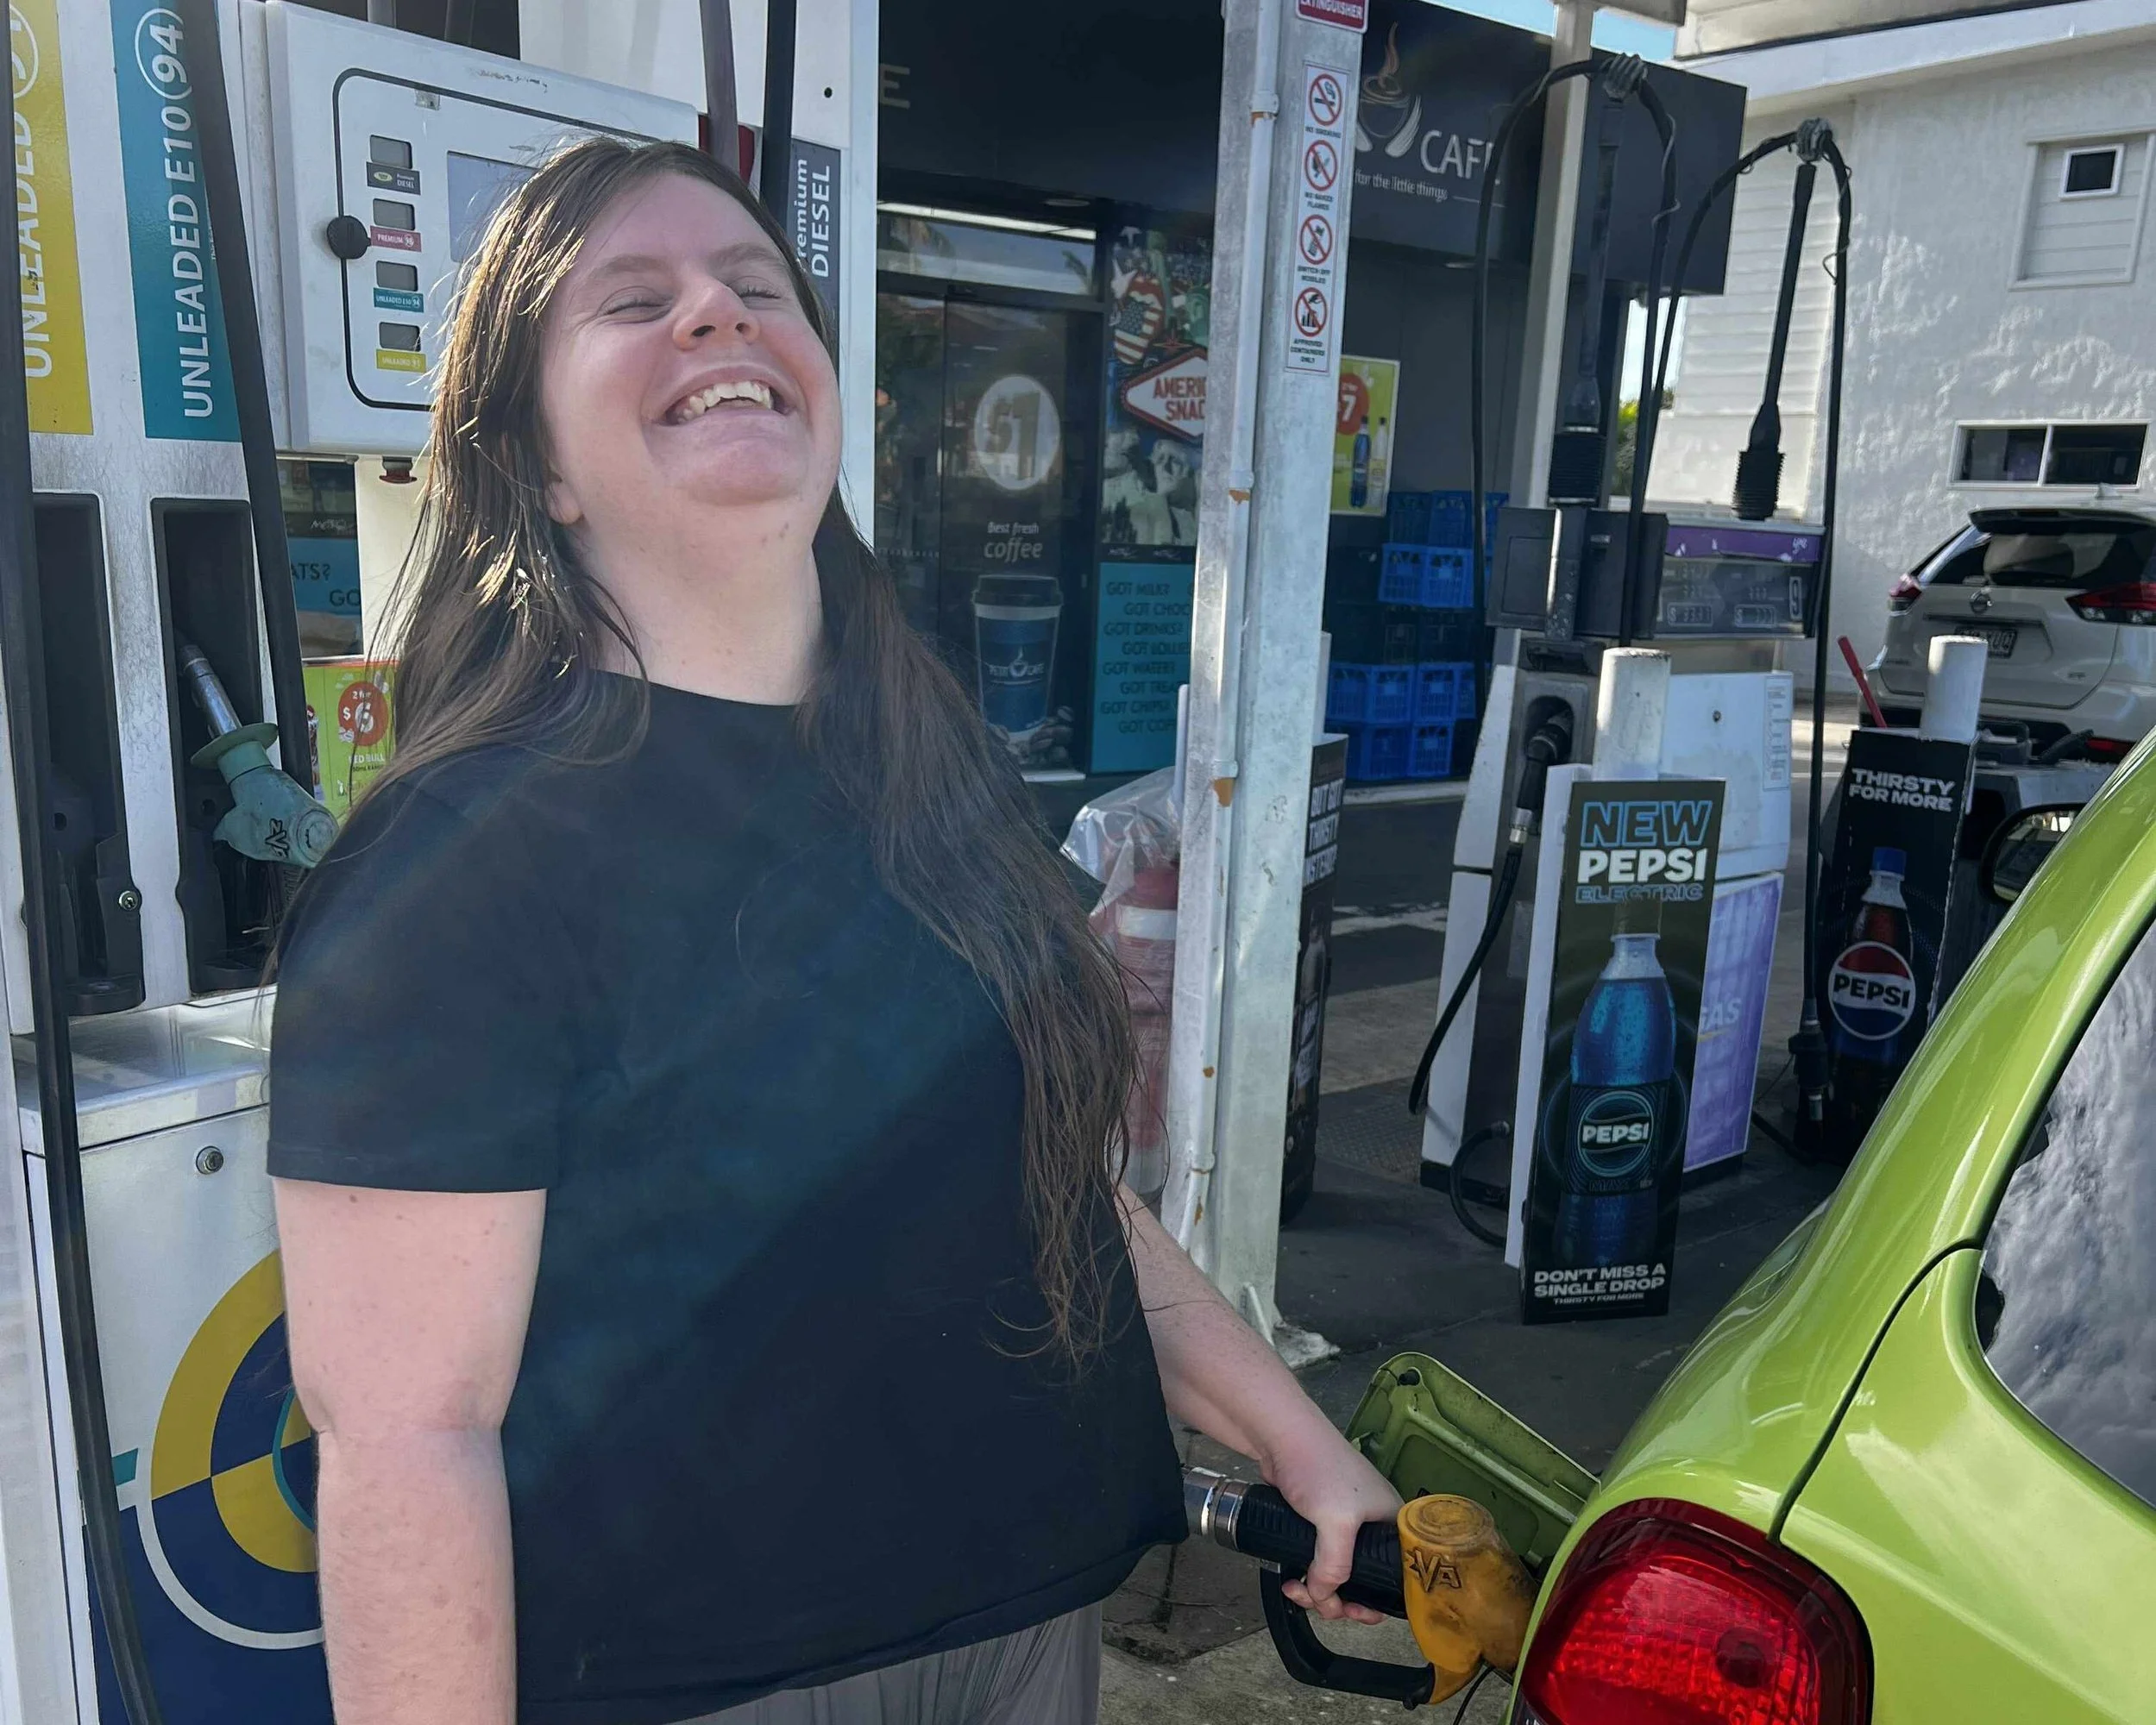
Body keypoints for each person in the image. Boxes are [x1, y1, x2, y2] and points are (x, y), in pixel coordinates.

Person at [267, 138, 1398, 1725]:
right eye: (634, 300)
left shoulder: (938, 790)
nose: (716, 321)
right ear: (536, 467)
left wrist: (1290, 1429)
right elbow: (403, 1432)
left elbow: (1049, 1189)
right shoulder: (457, 863)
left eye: (750, 289)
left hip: (1026, 1634)